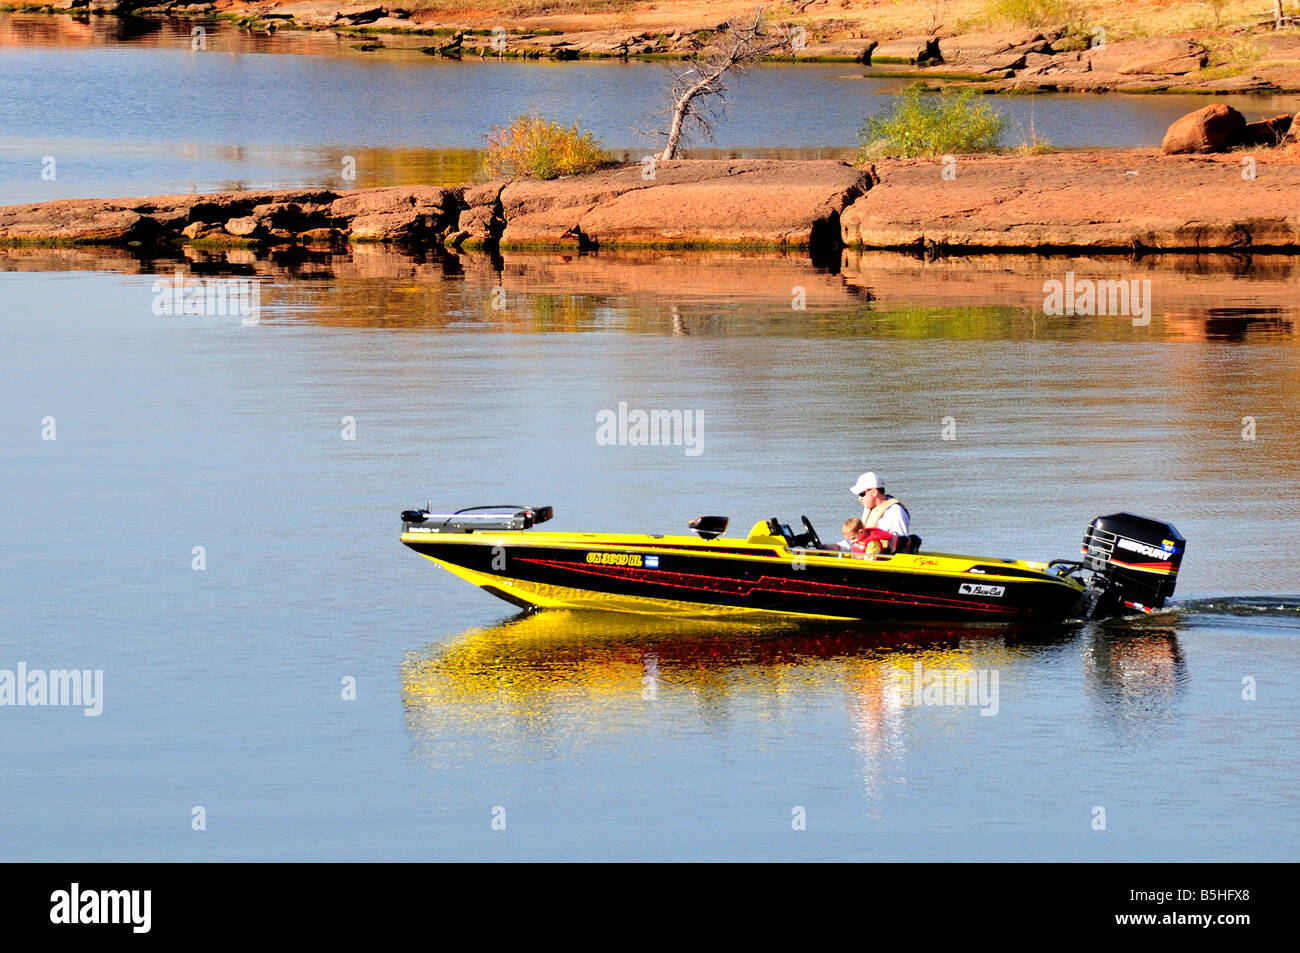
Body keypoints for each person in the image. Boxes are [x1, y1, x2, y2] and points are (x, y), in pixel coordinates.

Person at [849, 471, 910, 554]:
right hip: (867, 554)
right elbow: (858, 539)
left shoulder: (895, 512)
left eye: (862, 494)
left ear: (874, 492)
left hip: (882, 559)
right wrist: (830, 547)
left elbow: (901, 546)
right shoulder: (869, 508)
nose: (859, 498)